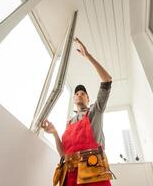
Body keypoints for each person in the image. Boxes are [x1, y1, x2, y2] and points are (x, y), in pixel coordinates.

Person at [42, 37, 112, 186]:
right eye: (77, 93)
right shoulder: (69, 123)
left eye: (83, 93)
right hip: (70, 178)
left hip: (94, 176)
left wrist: (88, 57)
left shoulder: (95, 112)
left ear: (88, 99)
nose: (79, 94)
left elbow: (107, 80)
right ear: (74, 99)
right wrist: (54, 133)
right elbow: (64, 155)